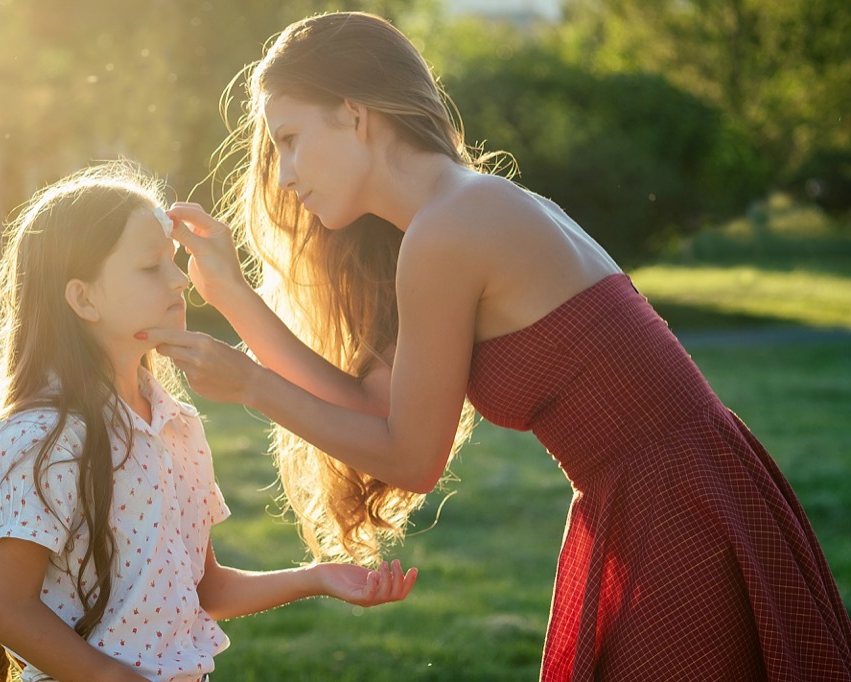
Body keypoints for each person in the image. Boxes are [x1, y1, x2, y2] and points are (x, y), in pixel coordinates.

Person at [142, 11, 851, 681]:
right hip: (676, 497)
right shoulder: (458, 213)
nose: (285, 172)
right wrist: (233, 296)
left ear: (355, 115)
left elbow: (411, 458)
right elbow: (368, 403)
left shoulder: (451, 228)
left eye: (289, 138)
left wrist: (251, 388)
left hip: (676, 512)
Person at [0, 160, 417, 682]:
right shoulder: (36, 438)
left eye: (174, 261)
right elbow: (12, 611)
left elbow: (203, 590)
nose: (179, 280)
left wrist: (316, 577)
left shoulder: (177, 425)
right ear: (83, 298)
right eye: (150, 267)